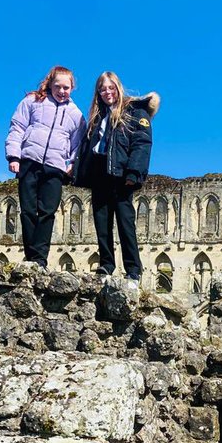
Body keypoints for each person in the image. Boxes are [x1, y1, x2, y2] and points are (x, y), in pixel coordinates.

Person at [74, 72, 159, 284]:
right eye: (103, 89)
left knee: (125, 222)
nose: (107, 92)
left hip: (121, 175)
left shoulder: (135, 111)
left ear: (118, 88)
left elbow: (142, 143)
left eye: (111, 88)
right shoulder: (97, 116)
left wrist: (134, 173)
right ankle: (106, 264)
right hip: (99, 173)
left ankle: (133, 269)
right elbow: (87, 147)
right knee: (102, 223)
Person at [5, 66, 86, 267]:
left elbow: (78, 145)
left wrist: (71, 165)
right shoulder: (33, 101)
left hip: (55, 167)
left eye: (66, 87)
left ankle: (40, 259)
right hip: (30, 161)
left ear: (72, 88)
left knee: (47, 212)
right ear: (50, 84)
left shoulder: (76, 115)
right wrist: (14, 156)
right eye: (57, 86)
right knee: (28, 210)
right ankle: (31, 255)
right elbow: (17, 127)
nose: (61, 91)